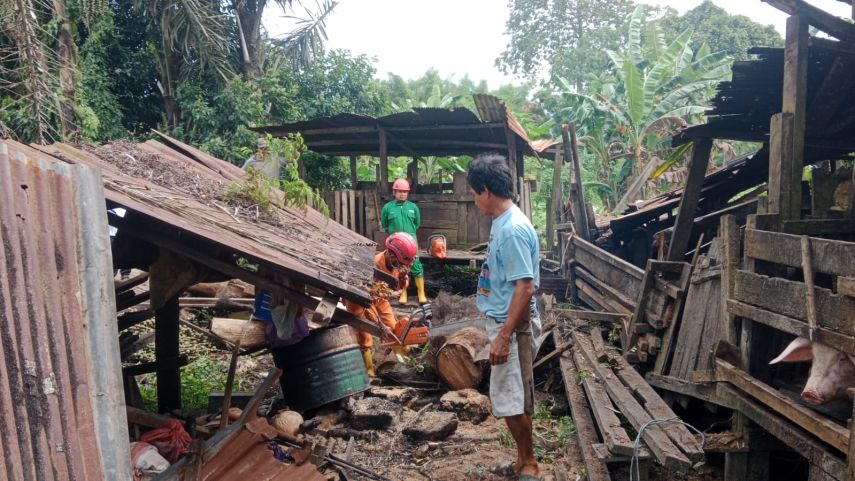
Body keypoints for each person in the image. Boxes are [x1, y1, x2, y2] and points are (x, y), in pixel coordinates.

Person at [468, 153, 542, 481]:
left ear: (485, 190)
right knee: (511, 395)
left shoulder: (511, 230)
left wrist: (503, 336)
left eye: (473, 193)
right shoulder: (502, 222)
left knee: (512, 400)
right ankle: (522, 461)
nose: (473, 201)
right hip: (505, 323)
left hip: (512, 327)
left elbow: (525, 287)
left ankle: (529, 465)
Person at [344, 232, 418, 376]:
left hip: (380, 297)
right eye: (399, 264)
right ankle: (368, 369)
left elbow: (397, 288)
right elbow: (365, 295)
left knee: (393, 326)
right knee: (363, 331)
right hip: (359, 298)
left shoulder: (398, 264)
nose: (400, 267)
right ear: (391, 254)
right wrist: (378, 324)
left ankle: (401, 359)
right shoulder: (373, 264)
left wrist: (403, 278)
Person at [381, 178, 428, 305]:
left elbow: (417, 224)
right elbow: (385, 224)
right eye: (400, 191)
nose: (402, 194)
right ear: (394, 192)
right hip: (395, 243)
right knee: (398, 267)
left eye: (405, 192)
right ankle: (403, 293)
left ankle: (421, 293)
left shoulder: (413, 207)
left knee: (416, 266)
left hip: (411, 242)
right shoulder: (387, 208)